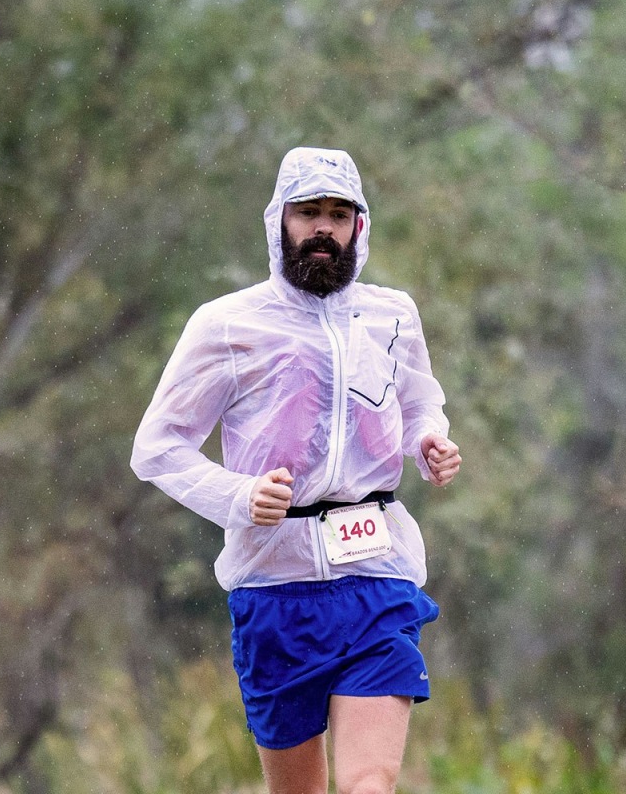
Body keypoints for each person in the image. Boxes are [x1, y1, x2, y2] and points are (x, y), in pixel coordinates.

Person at [130, 146, 462, 794]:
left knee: (369, 785)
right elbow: (157, 446)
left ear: (358, 228)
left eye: (338, 214)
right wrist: (238, 494)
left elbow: (420, 399)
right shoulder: (228, 325)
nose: (323, 228)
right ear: (279, 222)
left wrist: (429, 439)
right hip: (273, 586)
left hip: (377, 575)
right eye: (308, 212)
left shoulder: (391, 314)